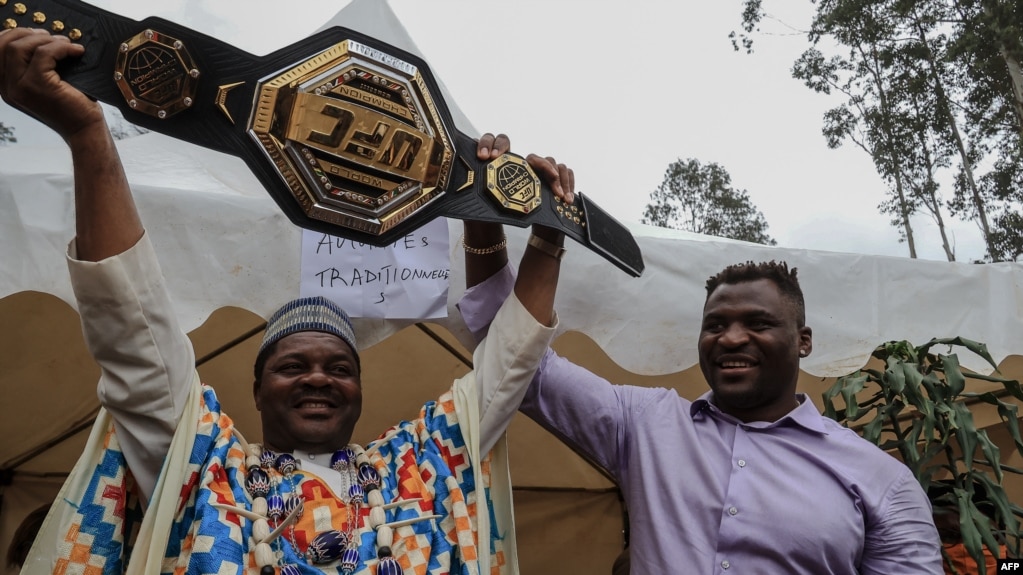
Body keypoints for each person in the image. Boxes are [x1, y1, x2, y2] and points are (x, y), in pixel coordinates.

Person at [2, 28, 568, 575]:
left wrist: (542, 230)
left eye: (339, 368)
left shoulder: (412, 474)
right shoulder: (208, 468)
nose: (318, 379)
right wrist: (88, 135)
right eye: (292, 366)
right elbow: (134, 338)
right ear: (255, 391)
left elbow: (506, 368)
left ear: (360, 391)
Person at [459, 219, 944, 572]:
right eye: (715, 325)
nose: (731, 338)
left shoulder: (883, 482)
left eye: (758, 323)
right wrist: (494, 221)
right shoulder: (644, 423)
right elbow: (516, 361)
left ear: (804, 341)